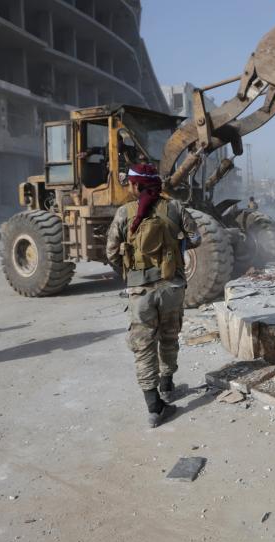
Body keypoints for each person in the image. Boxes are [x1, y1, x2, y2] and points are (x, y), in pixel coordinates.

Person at [106, 163, 201, 428]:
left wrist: (130, 269)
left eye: (130, 183)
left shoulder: (124, 213)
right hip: (171, 287)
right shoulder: (175, 207)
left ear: (137, 186)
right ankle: (167, 384)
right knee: (169, 337)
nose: (128, 187)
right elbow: (196, 238)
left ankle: (154, 406)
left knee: (143, 346)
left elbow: (111, 253)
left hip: (140, 292)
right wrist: (176, 244)